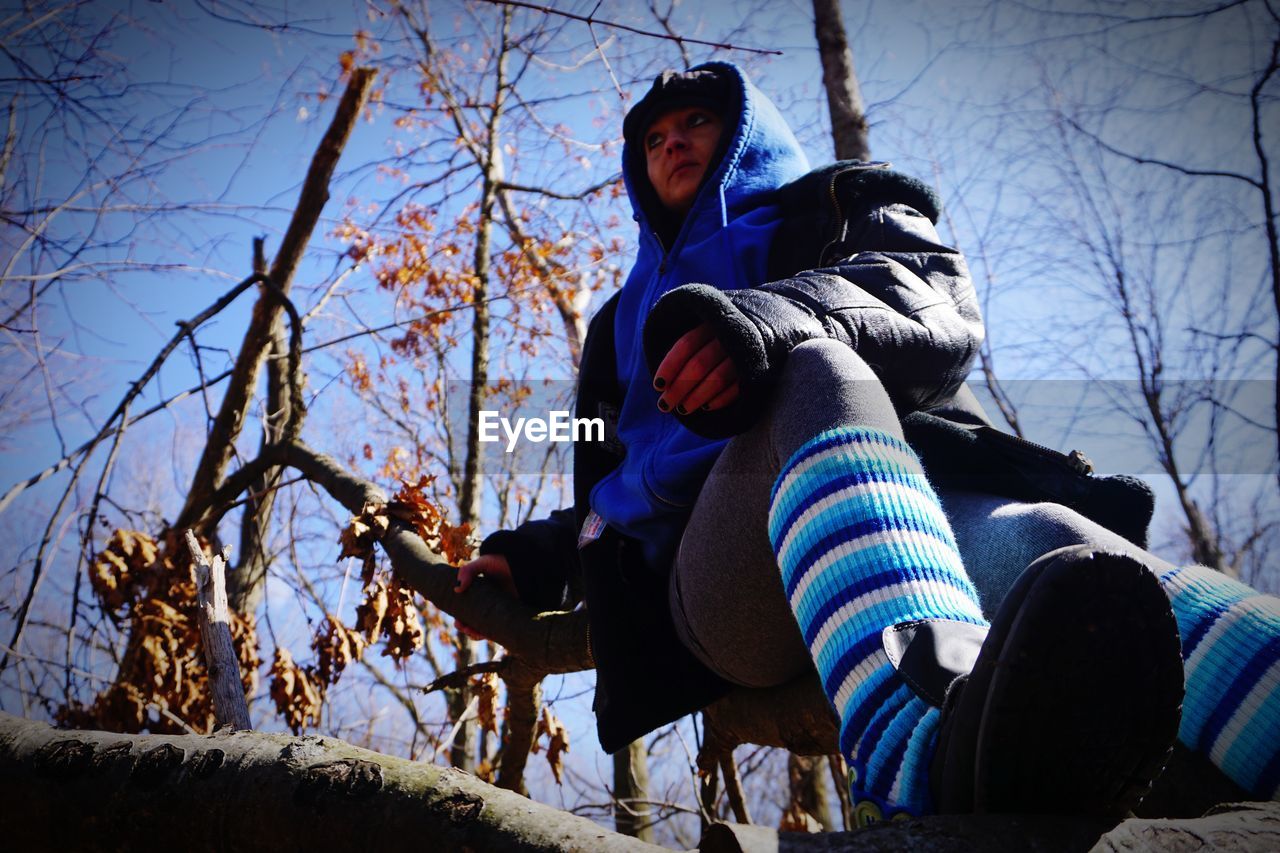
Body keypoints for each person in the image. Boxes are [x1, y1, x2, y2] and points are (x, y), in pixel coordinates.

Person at [453, 62, 1277, 821]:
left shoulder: (840, 208)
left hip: (908, 503)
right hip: (718, 585)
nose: (672, 141)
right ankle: (919, 744)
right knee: (815, 373)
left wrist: (764, 321)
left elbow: (933, 306)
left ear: (745, 128)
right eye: (653, 138)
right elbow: (610, 479)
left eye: (695, 120)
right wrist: (535, 557)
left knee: (1058, 544)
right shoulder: (616, 329)